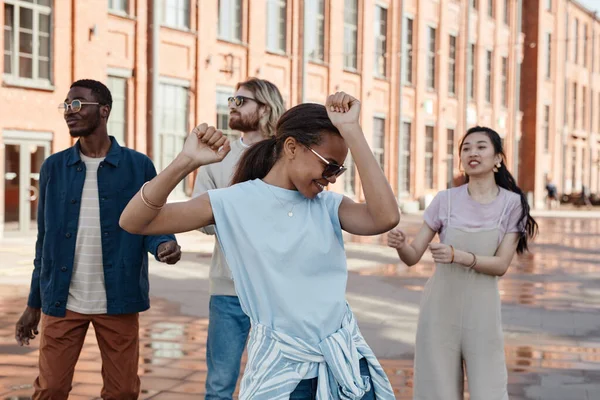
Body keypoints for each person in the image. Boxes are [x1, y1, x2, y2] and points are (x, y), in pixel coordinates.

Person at [119, 92, 399, 399]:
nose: (331, 179)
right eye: (330, 166)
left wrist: (352, 130)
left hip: (345, 364)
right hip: (282, 374)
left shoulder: (328, 206)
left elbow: (385, 217)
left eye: (338, 171)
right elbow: (134, 222)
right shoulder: (233, 202)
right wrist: (186, 161)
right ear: (292, 147)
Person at [14, 79, 181, 400]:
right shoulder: (54, 167)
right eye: (66, 105)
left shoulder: (138, 166)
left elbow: (152, 220)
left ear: (104, 110)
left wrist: (163, 244)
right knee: (50, 389)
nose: (68, 112)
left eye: (77, 104)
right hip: (62, 301)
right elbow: (44, 241)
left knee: (122, 392)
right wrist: (34, 303)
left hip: (118, 299)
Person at [387, 126, 538, 400]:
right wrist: (401, 245)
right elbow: (412, 257)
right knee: (437, 392)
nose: (472, 153)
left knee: (489, 391)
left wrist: (458, 256)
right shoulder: (445, 200)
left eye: (481, 147)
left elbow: (501, 264)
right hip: (439, 311)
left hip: (482, 314)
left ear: (498, 159)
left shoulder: (512, 204)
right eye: (466, 148)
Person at [192, 78, 285, 400]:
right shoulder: (217, 155)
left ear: (265, 107)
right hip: (227, 290)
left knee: (276, 384)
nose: (231, 105)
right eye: (231, 100)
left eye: (241, 101)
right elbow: (200, 220)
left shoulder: (287, 154)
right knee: (219, 386)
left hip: (277, 292)